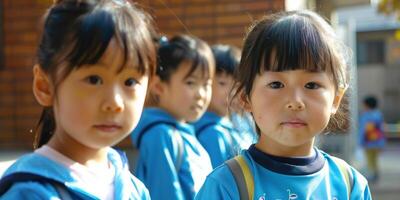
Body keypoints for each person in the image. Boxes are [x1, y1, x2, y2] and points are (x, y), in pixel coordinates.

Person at [196, 10, 371, 200]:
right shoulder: (226, 186)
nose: (295, 101)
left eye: (311, 85)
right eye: (276, 84)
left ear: (336, 99)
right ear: (246, 97)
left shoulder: (350, 185)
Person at [0, 0, 157, 199]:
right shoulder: (30, 193)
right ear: (45, 86)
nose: (115, 103)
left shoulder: (133, 188)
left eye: (130, 81)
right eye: (94, 79)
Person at [130, 34, 214, 200]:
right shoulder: (162, 135)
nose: (201, 94)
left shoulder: (184, 133)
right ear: (159, 87)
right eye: (191, 83)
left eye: (206, 84)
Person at [193, 44, 253, 169]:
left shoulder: (235, 122)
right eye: (222, 83)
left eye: (237, 85)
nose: (230, 92)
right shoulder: (212, 133)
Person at [359, 95, 386, 182]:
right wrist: (382, 143)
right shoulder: (378, 115)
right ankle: (375, 173)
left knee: (369, 159)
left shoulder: (366, 116)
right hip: (377, 142)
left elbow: (363, 130)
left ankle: (372, 175)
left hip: (368, 142)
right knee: (375, 159)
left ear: (367, 105)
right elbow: (381, 130)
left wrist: (361, 141)